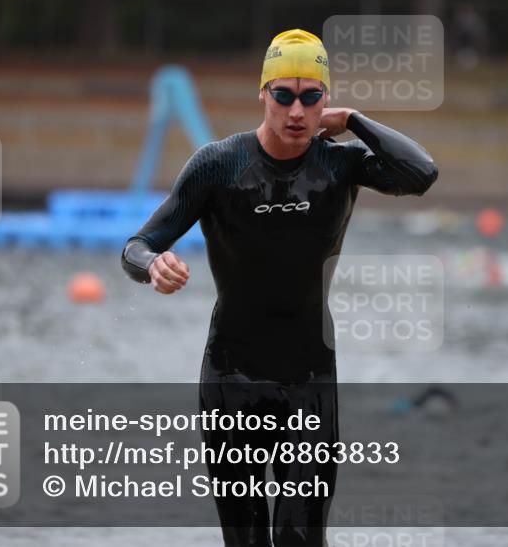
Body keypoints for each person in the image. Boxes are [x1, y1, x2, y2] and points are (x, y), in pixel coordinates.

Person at [120, 28, 438, 546]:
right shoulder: (218, 165)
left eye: (311, 97)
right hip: (230, 379)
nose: (296, 111)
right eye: (283, 95)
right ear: (262, 94)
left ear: (325, 101)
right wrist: (153, 265)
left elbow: (421, 173)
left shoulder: (341, 163)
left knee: (299, 540)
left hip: (309, 377)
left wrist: (356, 121)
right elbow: (136, 245)